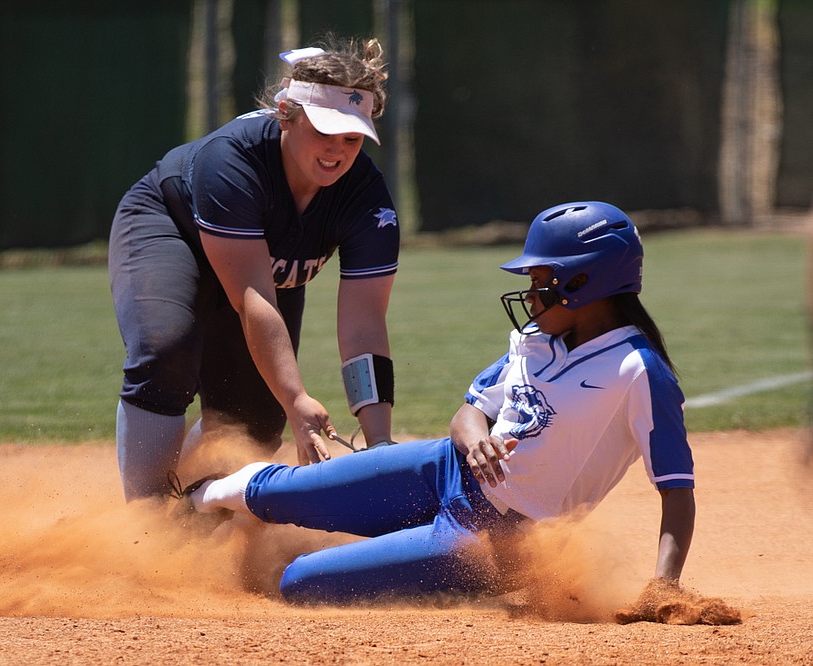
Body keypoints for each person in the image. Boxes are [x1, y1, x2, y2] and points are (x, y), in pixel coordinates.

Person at [183, 201, 697, 606]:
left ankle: (377, 553)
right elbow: (468, 414)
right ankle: (193, 502)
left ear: (585, 283)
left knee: (299, 583)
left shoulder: (638, 372)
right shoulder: (538, 338)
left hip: (485, 545)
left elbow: (677, 492)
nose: (531, 293)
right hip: (440, 469)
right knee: (283, 492)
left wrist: (664, 586)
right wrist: (474, 441)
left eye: (542, 280)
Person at [108, 38, 400, 501]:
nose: (337, 150)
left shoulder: (365, 196)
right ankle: (146, 527)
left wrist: (379, 441)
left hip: (256, 270)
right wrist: (297, 397)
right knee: (167, 348)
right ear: (287, 115)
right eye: (323, 131)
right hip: (171, 228)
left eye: (352, 136)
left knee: (255, 425)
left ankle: (185, 497)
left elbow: (365, 327)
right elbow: (252, 299)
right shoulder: (233, 160)